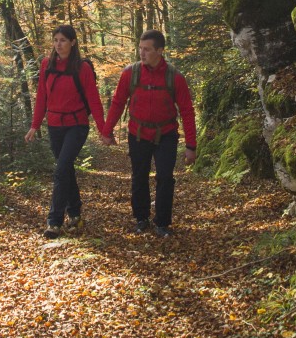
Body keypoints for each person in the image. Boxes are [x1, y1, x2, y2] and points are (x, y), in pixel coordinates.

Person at [104, 30, 196, 237]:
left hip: (167, 134)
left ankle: (162, 222)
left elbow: (187, 111)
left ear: (160, 51)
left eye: (147, 49)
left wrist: (191, 146)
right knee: (139, 176)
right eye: (140, 48)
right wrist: (106, 130)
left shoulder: (175, 77)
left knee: (165, 177)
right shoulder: (131, 73)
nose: (142, 53)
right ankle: (141, 218)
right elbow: (118, 103)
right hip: (137, 134)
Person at [26, 25, 110, 238]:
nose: (58, 44)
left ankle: (54, 221)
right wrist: (34, 126)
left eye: (63, 40)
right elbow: (42, 99)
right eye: (55, 40)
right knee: (65, 170)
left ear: (73, 42)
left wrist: (103, 130)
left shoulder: (82, 68)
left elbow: (94, 100)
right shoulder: (47, 65)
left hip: (77, 125)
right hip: (54, 126)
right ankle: (75, 213)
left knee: (61, 169)